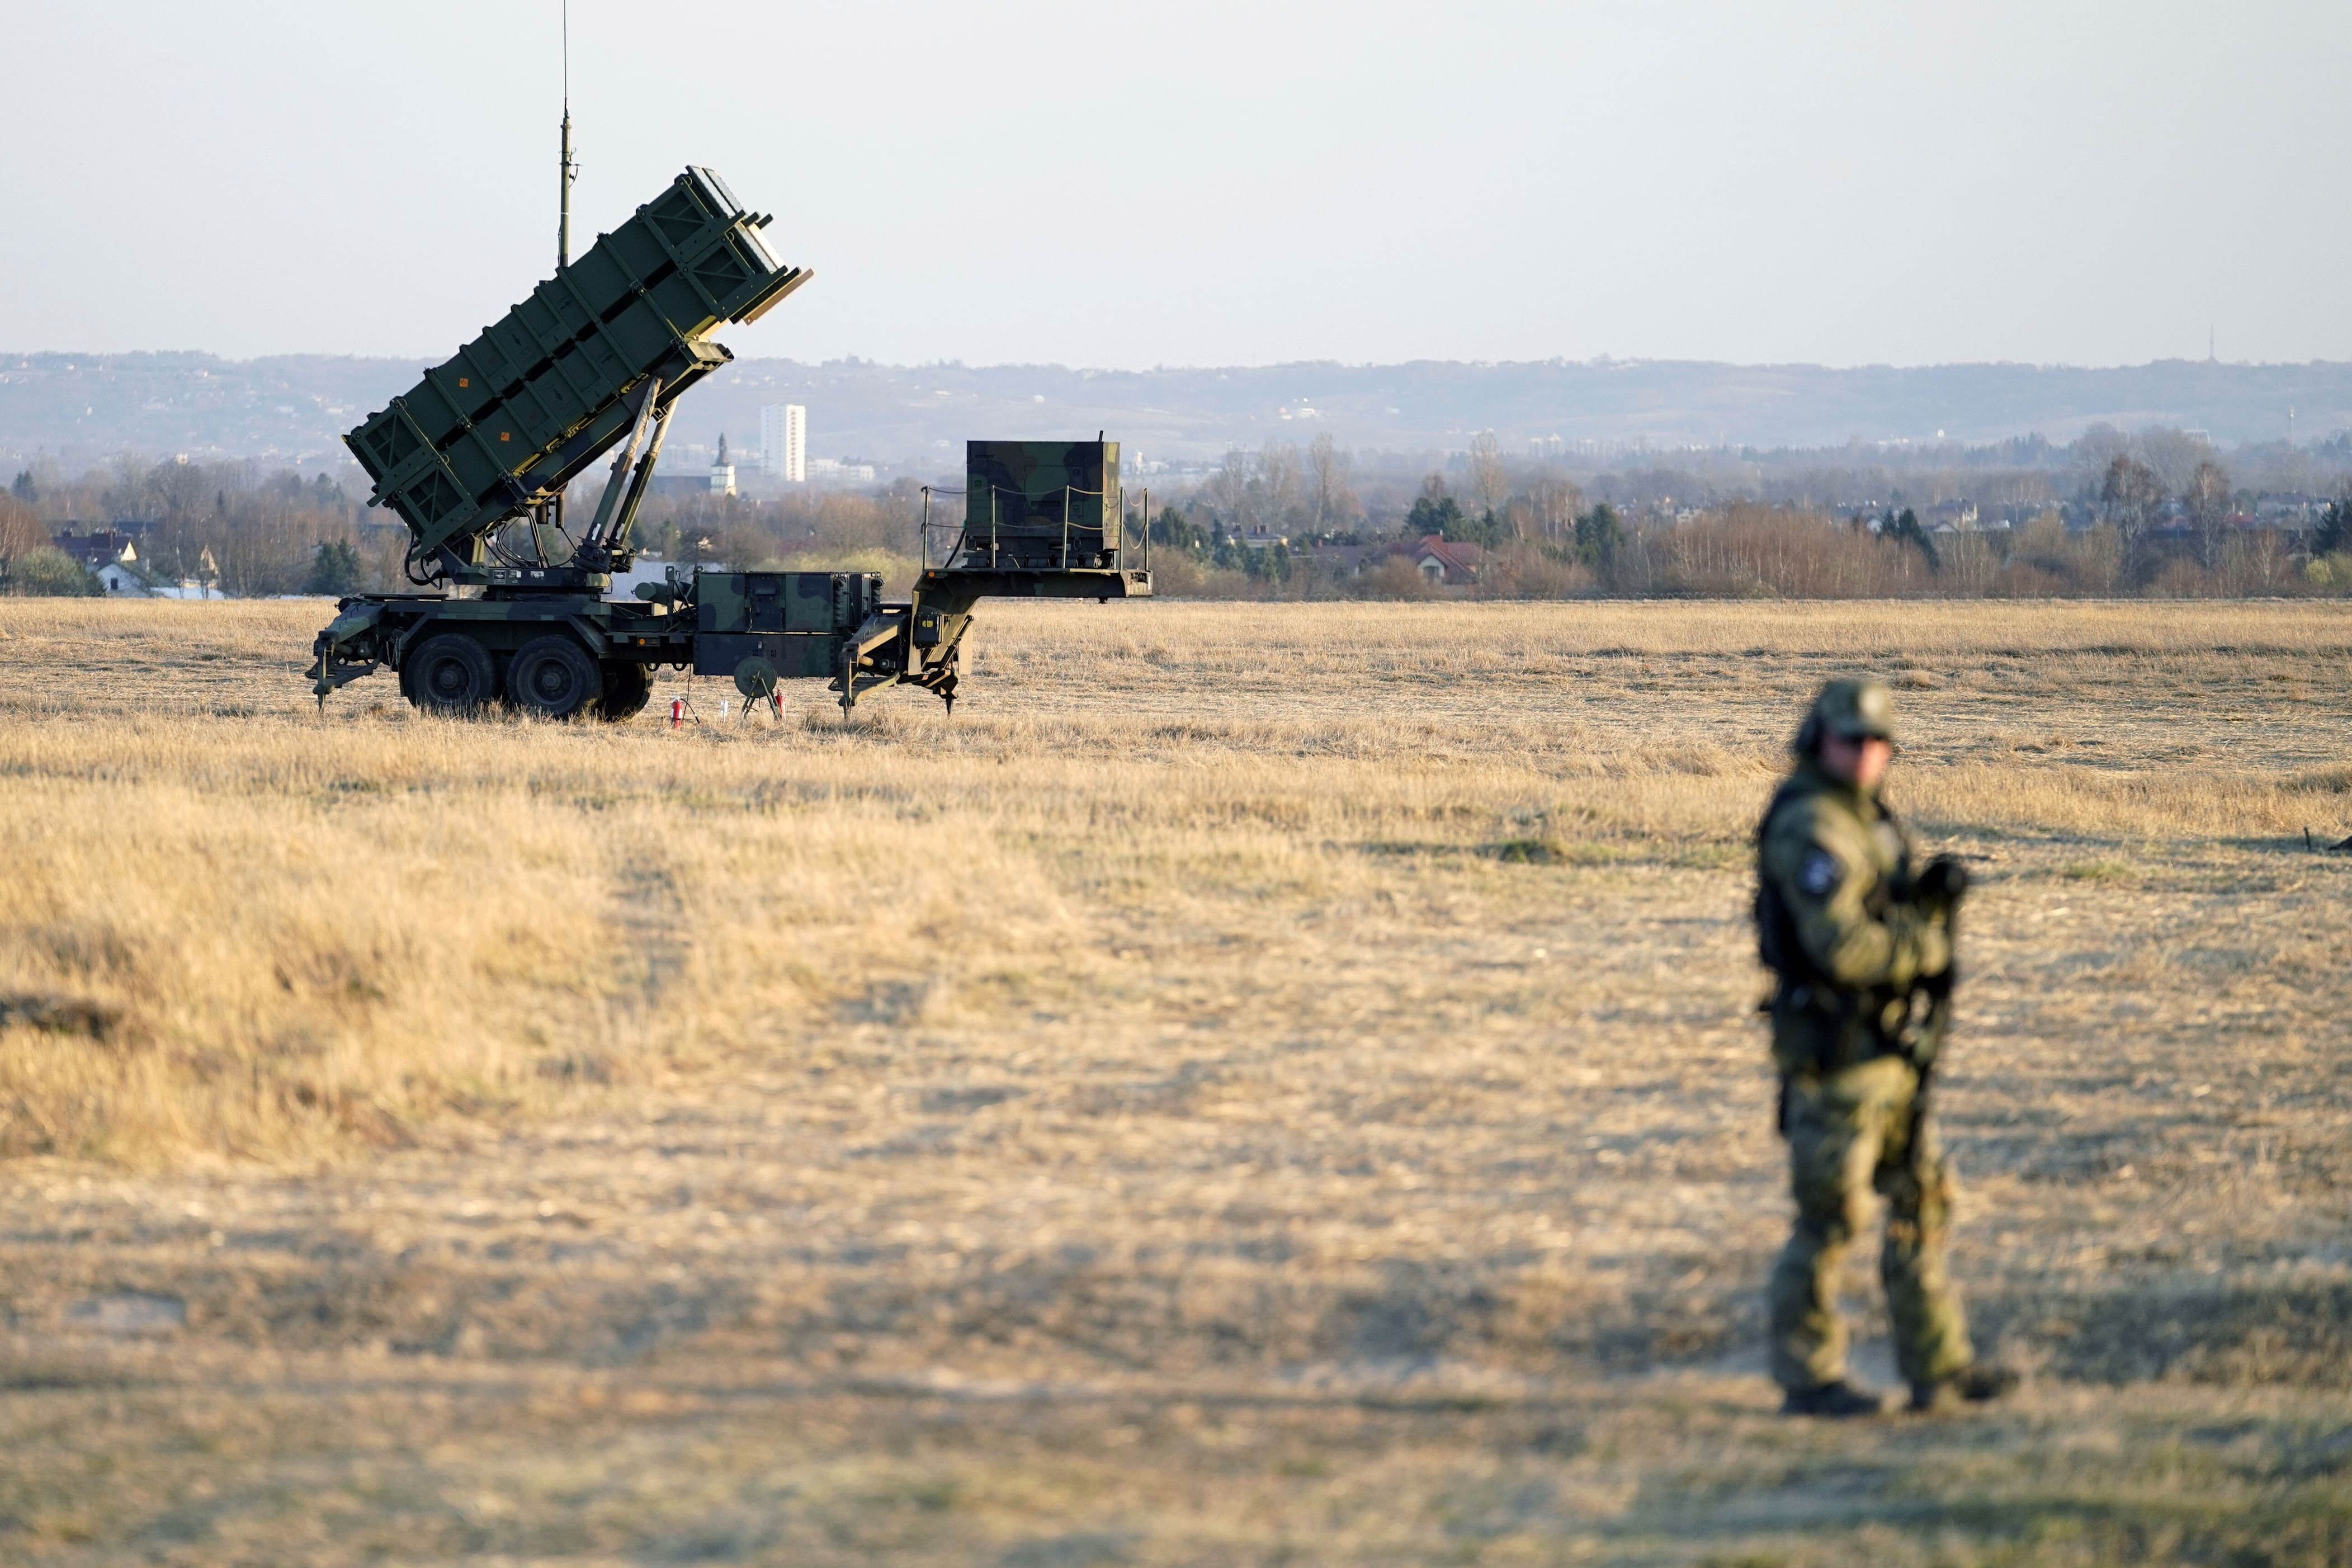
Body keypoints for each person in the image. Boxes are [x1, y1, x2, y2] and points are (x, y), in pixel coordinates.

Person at [1753, 678, 2018, 1417]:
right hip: (1838, 1053)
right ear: (1818, 740)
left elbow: (1879, 911)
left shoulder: (1863, 817)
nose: (1866, 755)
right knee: (1830, 1219)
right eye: (1850, 740)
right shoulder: (1812, 825)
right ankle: (1806, 1379)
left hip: (1889, 1049)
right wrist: (1922, 941)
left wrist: (1923, 896)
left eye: (1878, 744)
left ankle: (1937, 1366)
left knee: (1922, 1202)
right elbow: (1840, 945)